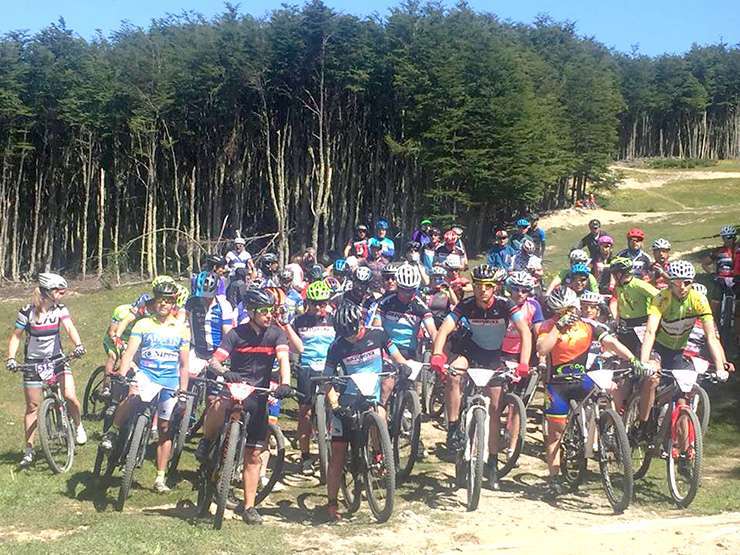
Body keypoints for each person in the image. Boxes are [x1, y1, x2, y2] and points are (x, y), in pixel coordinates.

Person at [431, 264, 531, 489]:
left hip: (494, 357)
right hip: (470, 351)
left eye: (487, 286)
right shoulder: (466, 305)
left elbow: (525, 332)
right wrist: (438, 354)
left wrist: (524, 362)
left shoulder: (506, 305)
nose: (482, 291)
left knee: (495, 412)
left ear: (495, 287)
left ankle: (492, 463)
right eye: (477, 286)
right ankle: (454, 426)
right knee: (454, 373)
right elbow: (445, 329)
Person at [198, 289, 293, 525]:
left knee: (253, 455)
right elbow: (215, 361)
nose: (269, 315)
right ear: (250, 312)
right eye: (263, 311)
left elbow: (283, 360)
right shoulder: (235, 334)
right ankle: (207, 440)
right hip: (234, 387)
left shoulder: (276, 335)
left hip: (259, 395)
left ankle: (249, 507)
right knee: (218, 405)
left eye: (271, 310)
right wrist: (224, 372)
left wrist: (285, 383)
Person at [536, 287, 643, 495]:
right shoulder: (548, 326)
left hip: (582, 379)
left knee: (603, 394)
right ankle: (555, 478)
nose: (564, 315)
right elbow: (542, 349)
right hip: (556, 385)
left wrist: (632, 359)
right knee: (555, 433)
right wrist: (558, 327)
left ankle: (606, 435)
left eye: (568, 310)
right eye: (559, 311)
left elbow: (611, 343)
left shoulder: (588, 326)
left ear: (575, 308)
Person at [323, 302, 413, 521]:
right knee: (338, 455)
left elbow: (396, 355)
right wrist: (335, 406)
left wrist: (403, 365)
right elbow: (326, 381)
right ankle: (332, 503)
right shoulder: (336, 347)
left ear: (360, 323)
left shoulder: (378, 335)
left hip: (371, 398)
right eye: (345, 335)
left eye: (353, 332)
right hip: (347, 401)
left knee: (380, 416)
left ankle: (379, 453)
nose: (351, 338)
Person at [103, 279, 190, 492]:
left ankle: (160, 478)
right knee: (132, 397)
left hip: (169, 381)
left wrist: (184, 391)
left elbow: (184, 364)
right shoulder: (143, 324)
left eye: (168, 301)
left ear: (173, 303)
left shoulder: (181, 329)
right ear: (155, 300)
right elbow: (130, 353)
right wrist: (122, 375)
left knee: (164, 429)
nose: (163, 304)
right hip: (147, 375)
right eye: (160, 300)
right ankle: (113, 431)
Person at [638, 260, 734, 437]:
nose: (681, 287)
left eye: (687, 282)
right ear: (670, 282)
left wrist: (720, 367)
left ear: (692, 282)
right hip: (658, 348)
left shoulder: (699, 300)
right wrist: (644, 362)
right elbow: (650, 332)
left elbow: (711, 336)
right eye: (676, 282)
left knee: (683, 399)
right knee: (652, 380)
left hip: (678, 352)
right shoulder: (661, 298)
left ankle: (684, 456)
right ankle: (643, 425)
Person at [6, 273, 87, 468]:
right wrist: (10, 358)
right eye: (59, 290)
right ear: (47, 292)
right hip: (33, 363)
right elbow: (16, 336)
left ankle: (78, 426)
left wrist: (78, 344)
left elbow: (69, 327)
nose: (62, 293)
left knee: (69, 396)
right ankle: (29, 450)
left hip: (57, 360)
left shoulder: (60, 309)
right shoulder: (27, 312)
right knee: (33, 407)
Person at [290, 281, 336, 475]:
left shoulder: (334, 319)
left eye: (323, 303)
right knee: (305, 413)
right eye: (315, 303)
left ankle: (336, 449)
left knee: (335, 406)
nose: (319, 307)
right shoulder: (298, 322)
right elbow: (291, 345)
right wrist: (294, 362)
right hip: (307, 367)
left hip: (329, 366)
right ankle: (306, 455)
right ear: (307, 302)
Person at [185, 271, 235, 379]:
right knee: (188, 382)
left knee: (216, 390)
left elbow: (228, 333)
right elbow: (180, 321)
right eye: (202, 296)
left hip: (218, 353)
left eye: (208, 296)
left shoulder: (224, 305)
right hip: (197, 351)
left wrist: (223, 355)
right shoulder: (191, 302)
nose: (205, 299)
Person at [608, 257, 658, 356]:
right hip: (625, 324)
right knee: (625, 354)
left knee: (641, 352)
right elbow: (615, 301)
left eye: (614, 274)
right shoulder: (619, 286)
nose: (613, 278)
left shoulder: (639, 285)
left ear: (620, 274)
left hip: (641, 323)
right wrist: (615, 319)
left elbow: (659, 297)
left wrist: (654, 313)